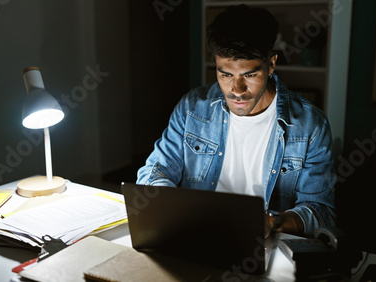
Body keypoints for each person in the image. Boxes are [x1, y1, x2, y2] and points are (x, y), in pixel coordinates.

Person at [137, 4, 336, 238]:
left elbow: (321, 212)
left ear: (271, 64)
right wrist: (168, 205)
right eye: (225, 75)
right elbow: (155, 170)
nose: (237, 90)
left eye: (249, 75)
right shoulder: (193, 108)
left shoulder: (311, 125)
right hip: (197, 234)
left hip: (265, 243)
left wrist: (273, 221)